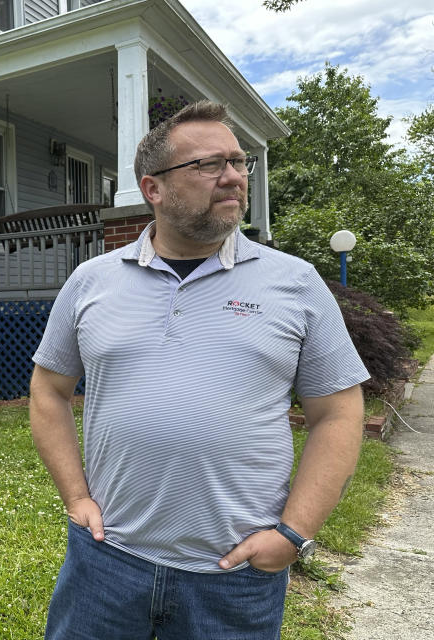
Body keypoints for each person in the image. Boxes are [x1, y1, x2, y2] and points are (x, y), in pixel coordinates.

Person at [29, 101, 369, 640]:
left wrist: (294, 533)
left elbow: (339, 412)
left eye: (238, 162)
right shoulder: (90, 282)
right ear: (153, 188)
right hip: (105, 560)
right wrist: (75, 497)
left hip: (233, 574)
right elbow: (48, 389)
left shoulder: (296, 283)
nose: (233, 175)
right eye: (209, 164)